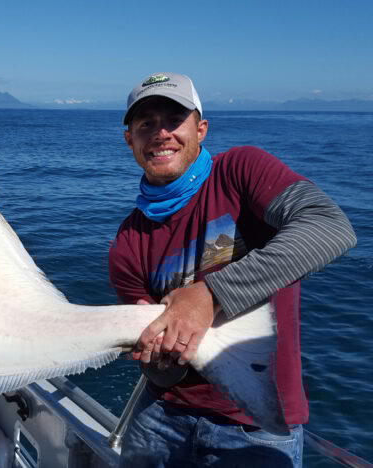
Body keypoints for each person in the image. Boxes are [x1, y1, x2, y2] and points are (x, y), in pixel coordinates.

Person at [108, 72, 357, 467]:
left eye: (174, 120)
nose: (161, 133)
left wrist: (210, 295)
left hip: (257, 424)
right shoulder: (127, 241)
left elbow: (329, 227)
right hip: (161, 414)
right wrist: (156, 357)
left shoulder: (241, 171)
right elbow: (163, 375)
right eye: (145, 124)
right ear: (130, 139)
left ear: (201, 128)